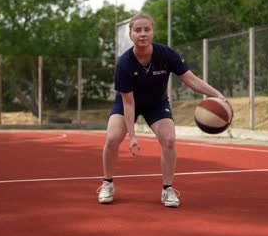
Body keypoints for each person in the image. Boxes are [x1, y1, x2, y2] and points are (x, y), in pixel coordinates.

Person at [97, 13, 229, 207]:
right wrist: (132, 137)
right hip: (128, 102)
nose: (143, 34)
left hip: (157, 104)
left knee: (168, 139)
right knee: (112, 139)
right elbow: (129, 104)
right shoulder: (124, 63)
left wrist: (216, 94)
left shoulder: (166, 55)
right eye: (138, 30)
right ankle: (107, 182)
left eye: (147, 29)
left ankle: (167, 189)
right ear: (131, 34)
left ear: (153, 32)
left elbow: (191, 80)